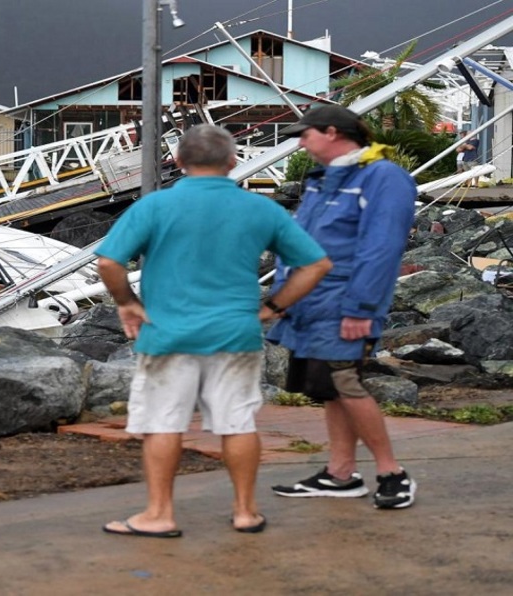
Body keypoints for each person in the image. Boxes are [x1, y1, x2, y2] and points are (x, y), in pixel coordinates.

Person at [95, 124, 331, 538]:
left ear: (179, 161)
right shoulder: (260, 209)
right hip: (235, 333)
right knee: (237, 423)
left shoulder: (155, 206)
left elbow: (108, 262)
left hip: (167, 335)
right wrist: (273, 307)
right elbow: (316, 264)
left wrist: (127, 302)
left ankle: (160, 515)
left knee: (163, 423)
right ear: (233, 161)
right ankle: (245, 512)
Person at [266, 105, 419, 509]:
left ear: (332, 132)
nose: (301, 143)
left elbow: (382, 248)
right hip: (312, 305)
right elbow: (300, 244)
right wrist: (284, 299)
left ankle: (392, 472)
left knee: (345, 384)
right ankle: (340, 474)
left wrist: (361, 308)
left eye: (305, 135)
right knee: (330, 389)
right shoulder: (325, 180)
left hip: (342, 304)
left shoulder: (383, 177)